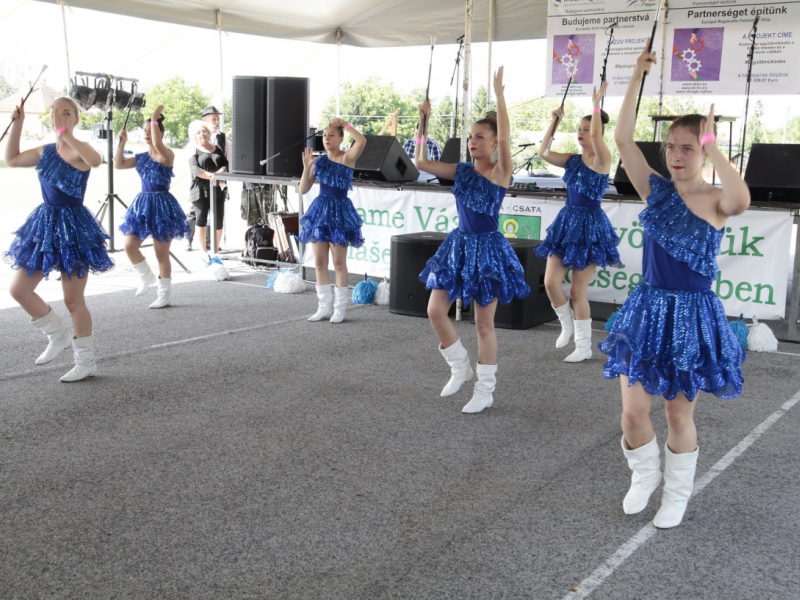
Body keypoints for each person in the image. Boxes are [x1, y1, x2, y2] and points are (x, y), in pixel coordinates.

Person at [600, 42, 750, 528]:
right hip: (648, 309)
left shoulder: (715, 200)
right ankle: (643, 475)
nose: (676, 155)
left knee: (679, 416)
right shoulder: (656, 190)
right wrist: (637, 77)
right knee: (631, 415)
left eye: (688, 147)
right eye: (671, 146)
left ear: (702, 151)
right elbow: (622, 139)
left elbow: (742, 197)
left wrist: (713, 145)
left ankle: (677, 494)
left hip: (692, 315)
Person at [414, 67, 530, 414]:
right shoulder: (462, 170)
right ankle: (458, 365)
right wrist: (423, 122)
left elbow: (508, 140)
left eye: (480, 136)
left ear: (494, 142)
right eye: (471, 137)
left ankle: (485, 389)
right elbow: (420, 160)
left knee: (483, 323)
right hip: (459, 246)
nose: (472, 141)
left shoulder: (500, 171)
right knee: (435, 310)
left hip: (488, 250)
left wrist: (500, 97)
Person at [4, 96, 112, 382]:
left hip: (74, 227)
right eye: (54, 113)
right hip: (45, 224)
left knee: (73, 301)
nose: (59, 116)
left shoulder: (81, 149)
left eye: (67, 113)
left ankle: (86, 361)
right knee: (19, 290)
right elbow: (12, 159)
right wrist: (18, 124)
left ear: (76, 119)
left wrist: (66, 135)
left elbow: (95, 160)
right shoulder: (45, 151)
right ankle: (57, 334)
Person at [535, 82, 620, 362]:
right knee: (550, 282)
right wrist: (553, 121)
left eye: (587, 129)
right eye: (579, 129)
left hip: (590, 226)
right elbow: (543, 151)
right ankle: (566, 324)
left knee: (577, 290)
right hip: (566, 222)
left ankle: (584, 347)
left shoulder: (603, 159)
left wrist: (596, 106)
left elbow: (597, 134)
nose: (582, 133)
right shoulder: (572, 160)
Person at [116, 104, 190, 308]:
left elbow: (157, 144)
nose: (147, 134)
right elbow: (118, 164)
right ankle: (145, 276)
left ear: (160, 132)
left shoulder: (166, 154)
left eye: (151, 130)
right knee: (129, 245)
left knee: (161, 253)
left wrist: (154, 118)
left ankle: (164, 294)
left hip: (162, 205)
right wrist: (122, 142)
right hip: (143, 204)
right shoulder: (141, 157)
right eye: (145, 131)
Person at [297, 117, 367, 323]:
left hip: (340, 211)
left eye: (331, 135)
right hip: (320, 211)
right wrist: (306, 167)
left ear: (341, 138)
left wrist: (345, 124)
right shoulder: (318, 161)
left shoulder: (347, 158)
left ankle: (340, 308)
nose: (326, 138)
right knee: (319, 262)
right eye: (325, 135)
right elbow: (303, 189)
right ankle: (323, 307)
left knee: (338, 262)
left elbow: (361, 141)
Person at [186, 106, 231, 250]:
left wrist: (221, 173)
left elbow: (226, 161)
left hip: (218, 187)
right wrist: (211, 176)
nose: (202, 134)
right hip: (200, 188)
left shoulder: (219, 143)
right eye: (199, 132)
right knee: (199, 218)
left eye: (204, 131)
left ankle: (215, 249)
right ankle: (200, 248)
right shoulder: (193, 147)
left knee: (218, 220)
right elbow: (194, 168)